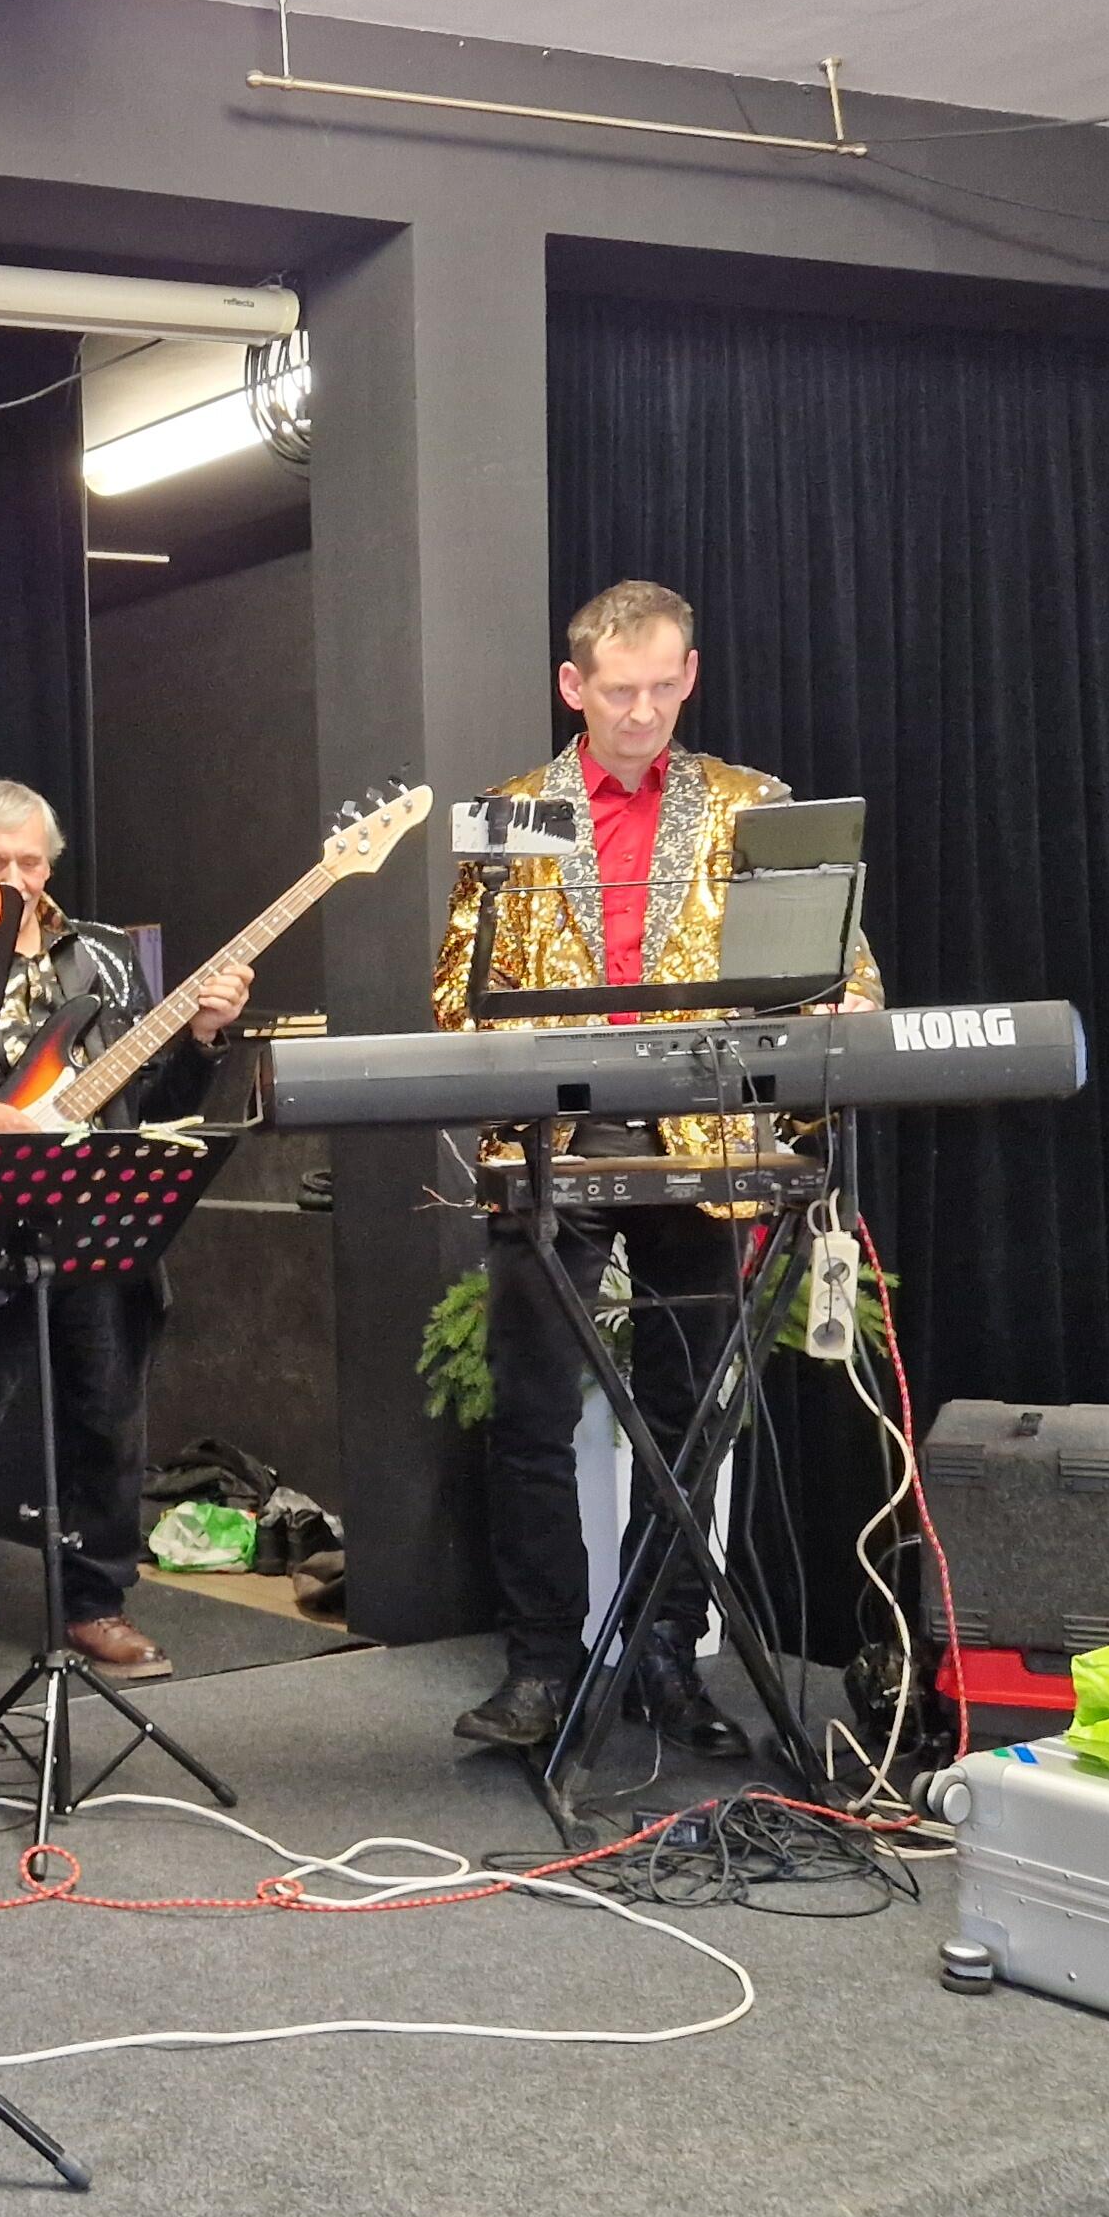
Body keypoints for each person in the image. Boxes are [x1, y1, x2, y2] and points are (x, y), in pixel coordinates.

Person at [431, 578, 879, 1757]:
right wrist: (528, 1051)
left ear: (689, 676)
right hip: (552, 1138)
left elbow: (841, 968)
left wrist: (834, 1019)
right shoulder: (513, 815)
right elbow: (457, 995)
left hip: (707, 1137)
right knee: (531, 1414)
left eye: (660, 689)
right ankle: (540, 1667)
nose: (640, 713)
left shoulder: (750, 803)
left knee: (688, 1415)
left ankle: (664, 1656)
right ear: (572, 687)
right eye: (617, 691)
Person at [0, 780, 250, 1714]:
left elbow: (155, 1106)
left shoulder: (106, 959)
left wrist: (203, 1038)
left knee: (108, 1423)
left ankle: (96, 1602)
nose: (16, 878)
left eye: (30, 861)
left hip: (93, 1215)